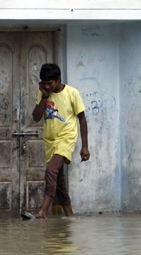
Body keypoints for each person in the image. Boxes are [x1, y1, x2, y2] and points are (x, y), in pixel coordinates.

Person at [31, 63, 90, 219]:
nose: (47, 86)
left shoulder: (72, 93)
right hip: (50, 141)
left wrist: (85, 146)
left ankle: (43, 210)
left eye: (50, 83)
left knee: (51, 171)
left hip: (67, 138)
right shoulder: (43, 93)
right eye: (44, 83)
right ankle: (70, 215)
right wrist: (44, 96)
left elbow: (82, 120)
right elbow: (36, 116)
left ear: (58, 80)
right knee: (59, 180)